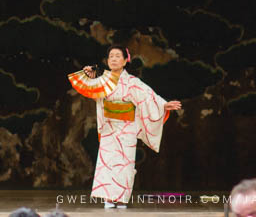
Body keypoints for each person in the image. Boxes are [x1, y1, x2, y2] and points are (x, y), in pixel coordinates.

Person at [68, 45, 182, 209]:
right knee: (107, 162)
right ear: (107, 61)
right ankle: (108, 198)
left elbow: (149, 97)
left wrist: (164, 105)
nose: (113, 59)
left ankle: (121, 198)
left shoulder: (132, 82)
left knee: (125, 163)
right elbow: (95, 96)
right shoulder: (103, 80)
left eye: (117, 56)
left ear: (125, 60)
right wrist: (91, 79)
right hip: (109, 127)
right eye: (111, 56)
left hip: (127, 127)